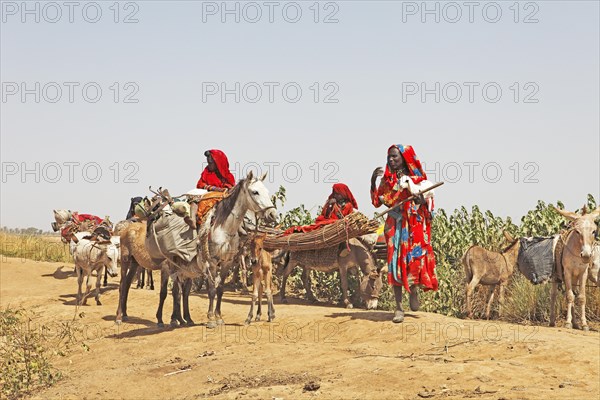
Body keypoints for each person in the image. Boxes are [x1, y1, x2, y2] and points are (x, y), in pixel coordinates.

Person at [371, 144, 437, 323]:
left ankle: (414, 288)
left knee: (413, 260)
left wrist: (419, 198)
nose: (391, 160)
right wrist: (373, 182)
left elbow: (427, 202)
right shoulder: (387, 180)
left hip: (414, 225)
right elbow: (379, 202)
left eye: (395, 157)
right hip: (394, 224)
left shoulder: (417, 179)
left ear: (405, 158)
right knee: (394, 264)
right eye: (389, 157)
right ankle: (399, 308)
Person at [284, 183, 358, 234]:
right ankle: (301, 229)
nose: (335, 195)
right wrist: (330, 205)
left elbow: (348, 217)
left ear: (343, 194)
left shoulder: (348, 205)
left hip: (340, 225)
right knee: (321, 223)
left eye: (338, 194)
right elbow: (325, 216)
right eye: (334, 193)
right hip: (330, 222)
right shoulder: (331, 202)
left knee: (327, 223)